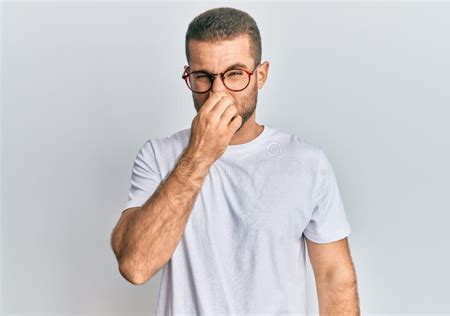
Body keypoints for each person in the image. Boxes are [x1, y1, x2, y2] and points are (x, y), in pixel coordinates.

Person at [111, 6, 360, 315]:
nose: (219, 92)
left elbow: (335, 278)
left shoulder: (307, 163)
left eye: (234, 74)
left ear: (261, 75)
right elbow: (135, 266)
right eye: (203, 76)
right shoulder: (159, 156)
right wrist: (199, 154)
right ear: (188, 75)